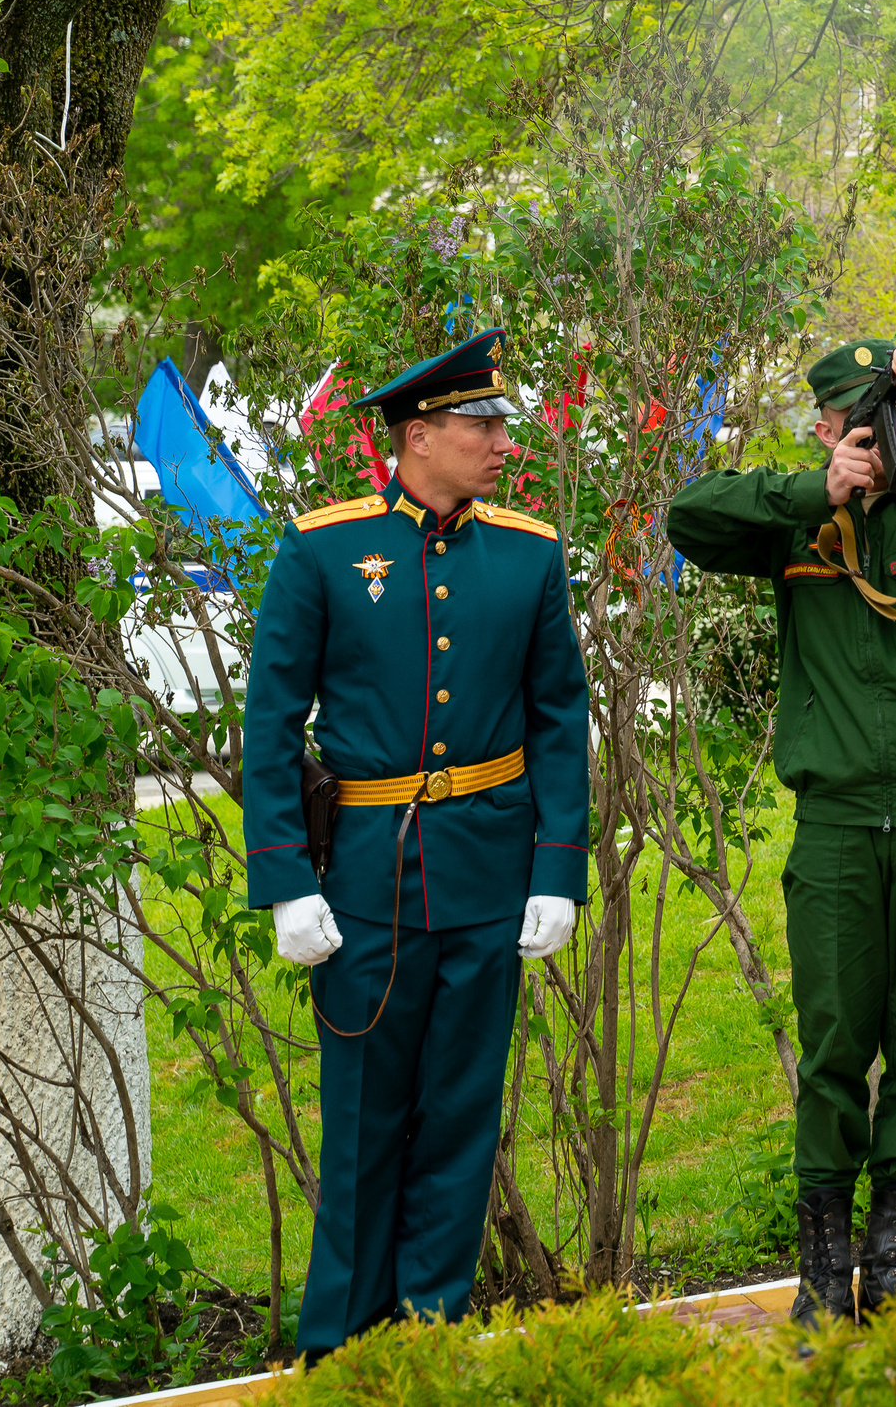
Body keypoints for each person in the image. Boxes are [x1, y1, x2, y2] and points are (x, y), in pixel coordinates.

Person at [664, 332, 896, 1324]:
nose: (884, 435)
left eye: (893, 417)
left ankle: (893, 1262)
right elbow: (685, 518)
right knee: (834, 1048)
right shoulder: (797, 518)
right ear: (827, 428)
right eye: (862, 421)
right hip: (835, 826)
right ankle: (824, 1276)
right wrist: (813, 489)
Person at [243, 329, 590, 1365]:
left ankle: (429, 1343)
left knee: (460, 1122)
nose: (499, 444)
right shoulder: (322, 549)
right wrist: (285, 882)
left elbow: (559, 716)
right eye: (481, 426)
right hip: (363, 886)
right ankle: (341, 1354)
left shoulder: (527, 551)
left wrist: (556, 868)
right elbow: (270, 724)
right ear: (420, 434)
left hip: (488, 880)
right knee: (361, 1129)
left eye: (497, 425)